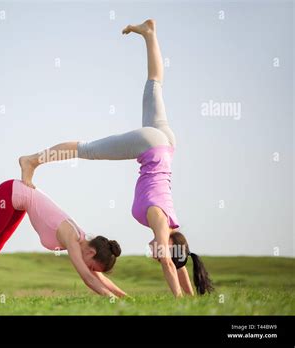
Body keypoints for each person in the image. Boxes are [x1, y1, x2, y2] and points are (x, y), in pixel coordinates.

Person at [19, 19, 213, 297]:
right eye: (160, 253)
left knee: (154, 85)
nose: (156, 255)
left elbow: (178, 262)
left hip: (166, 145)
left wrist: (193, 300)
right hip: (151, 147)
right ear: (167, 246)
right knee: (86, 149)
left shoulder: (173, 227)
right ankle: (32, 160)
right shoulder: (160, 221)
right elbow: (170, 263)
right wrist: (180, 302)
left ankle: (149, 34)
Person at [0, 179, 126, 301]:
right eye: (93, 266)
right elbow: (87, 277)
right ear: (91, 253)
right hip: (10, 192)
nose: (92, 271)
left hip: (20, 201)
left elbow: (96, 276)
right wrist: (113, 301)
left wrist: (124, 297)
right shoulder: (72, 238)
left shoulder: (83, 240)